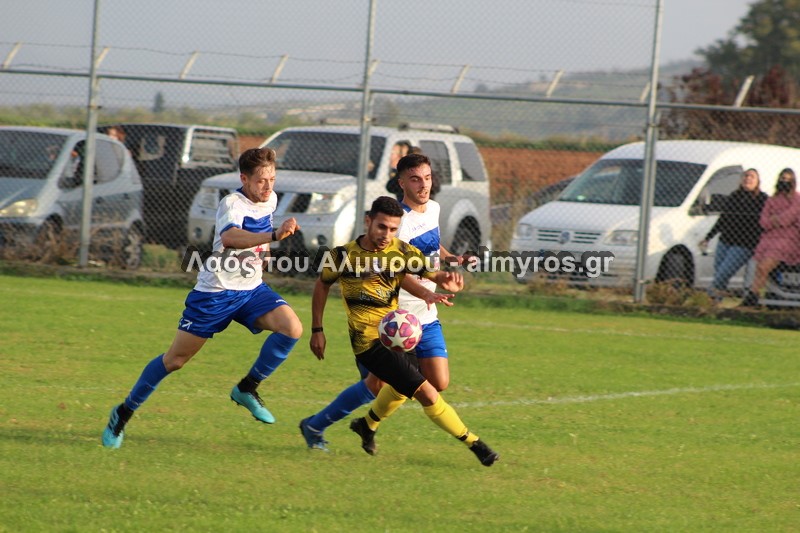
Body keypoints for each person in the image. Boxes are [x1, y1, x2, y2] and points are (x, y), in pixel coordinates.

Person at [102, 147, 303, 448]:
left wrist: (265, 254)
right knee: (175, 360)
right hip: (216, 294)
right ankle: (123, 413)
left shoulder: (270, 199)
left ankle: (247, 388)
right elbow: (231, 238)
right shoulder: (231, 203)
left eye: (272, 179)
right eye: (261, 180)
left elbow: (259, 233)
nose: (268, 187)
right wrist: (274, 236)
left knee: (292, 329)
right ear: (244, 179)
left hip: (251, 290)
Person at [301, 195, 499, 466]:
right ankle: (476, 444)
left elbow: (432, 274)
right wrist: (317, 329)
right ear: (368, 221)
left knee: (400, 386)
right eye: (382, 226)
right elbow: (322, 285)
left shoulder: (401, 251)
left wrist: (447, 279)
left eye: (393, 229)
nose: (387, 234)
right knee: (426, 392)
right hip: (368, 342)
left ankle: (362, 425)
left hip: (396, 337)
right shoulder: (343, 255)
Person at [699, 168, 767, 301]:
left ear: (757, 181)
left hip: (745, 244)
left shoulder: (762, 199)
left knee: (723, 273)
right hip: (725, 240)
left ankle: (707, 297)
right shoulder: (734, 196)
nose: (748, 178)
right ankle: (716, 302)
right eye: (746, 176)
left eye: (752, 176)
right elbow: (723, 219)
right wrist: (708, 237)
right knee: (719, 272)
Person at [741, 168, 800, 307]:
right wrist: (776, 221)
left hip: (787, 239)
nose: (785, 181)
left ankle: (753, 295)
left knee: (763, 267)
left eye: (788, 179)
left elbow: (790, 216)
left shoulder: (797, 199)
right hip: (768, 238)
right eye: (783, 178)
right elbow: (763, 221)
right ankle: (753, 297)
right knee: (758, 267)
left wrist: (775, 219)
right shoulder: (771, 199)